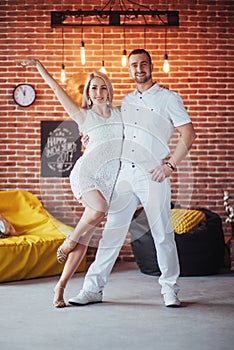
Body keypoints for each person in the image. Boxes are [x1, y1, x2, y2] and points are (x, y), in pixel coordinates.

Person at [68, 49, 196, 308]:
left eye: (143, 64)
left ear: (151, 66)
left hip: (153, 175)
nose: (139, 69)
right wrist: (89, 139)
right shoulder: (124, 102)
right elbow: (106, 129)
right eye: (133, 65)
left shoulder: (169, 99)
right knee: (111, 234)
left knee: (162, 234)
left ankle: (169, 289)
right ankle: (93, 289)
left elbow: (188, 134)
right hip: (124, 175)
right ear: (129, 70)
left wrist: (170, 165)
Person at [20, 59, 123, 308]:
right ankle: (68, 242)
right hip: (86, 174)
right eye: (93, 88)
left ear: (109, 90)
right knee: (98, 210)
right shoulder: (83, 116)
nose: (98, 93)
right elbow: (58, 90)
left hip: (109, 179)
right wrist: (40, 67)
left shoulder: (121, 113)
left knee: (84, 238)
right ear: (87, 93)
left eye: (102, 87)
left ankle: (60, 288)